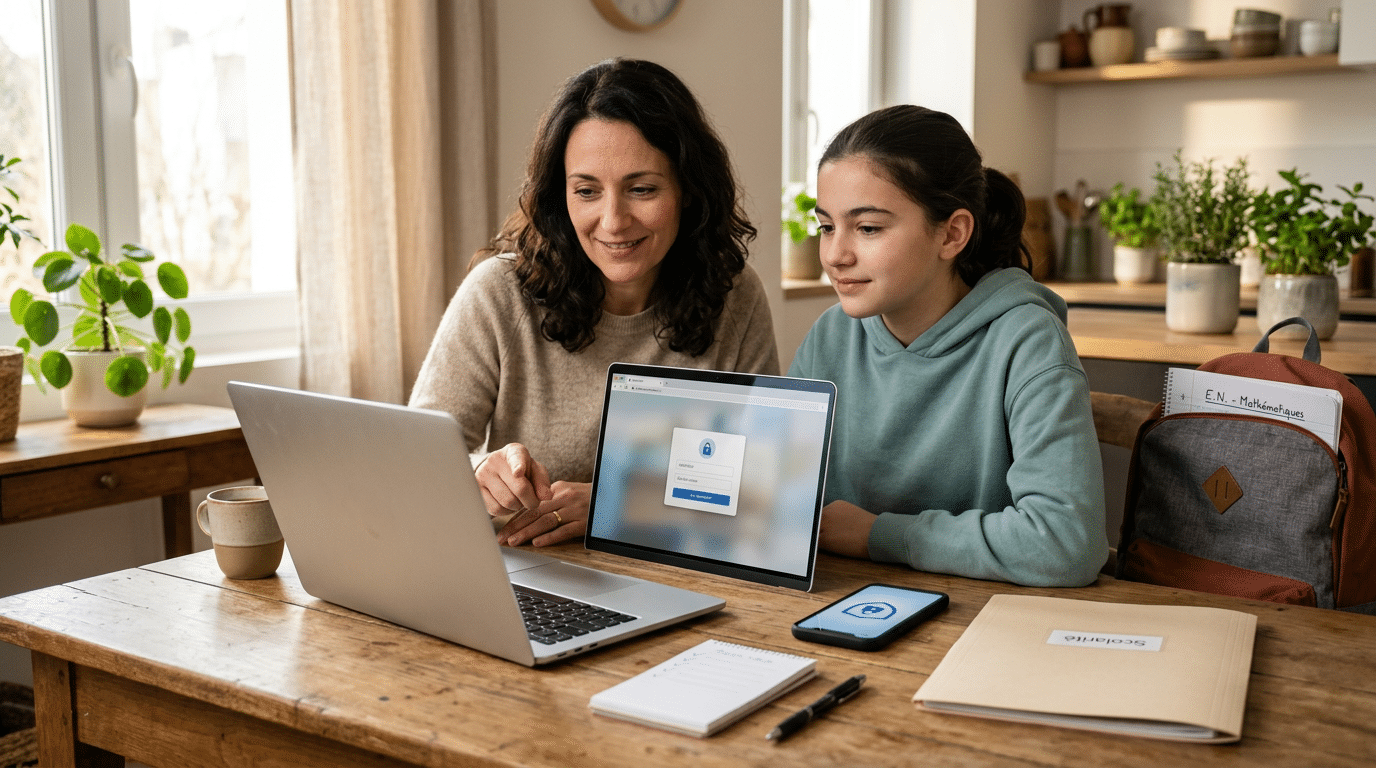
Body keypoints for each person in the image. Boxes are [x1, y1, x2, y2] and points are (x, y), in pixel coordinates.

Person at [410, 58, 779, 549]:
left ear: (688, 189)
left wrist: (616, 503)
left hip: (675, 569)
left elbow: (760, 486)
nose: (612, 221)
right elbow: (417, 460)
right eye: (586, 191)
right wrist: (482, 472)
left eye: (642, 189)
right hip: (530, 572)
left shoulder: (734, 295)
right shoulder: (499, 293)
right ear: (559, 196)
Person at [788, 105, 1107, 587]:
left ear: (952, 233)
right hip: (840, 600)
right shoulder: (831, 334)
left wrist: (880, 534)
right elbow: (774, 492)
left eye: (868, 227)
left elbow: (1066, 543)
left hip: (986, 622)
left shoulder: (1026, 342)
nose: (835, 255)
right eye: (827, 226)